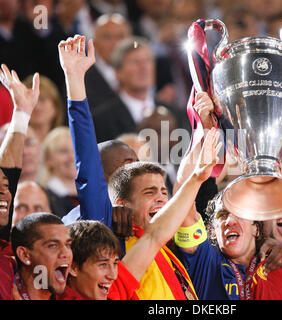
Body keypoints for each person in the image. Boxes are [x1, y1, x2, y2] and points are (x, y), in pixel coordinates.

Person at [58, 34, 199, 300]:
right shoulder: (103, 226)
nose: (137, 171)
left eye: (138, 163)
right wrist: (75, 80)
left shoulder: (156, 238)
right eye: (126, 166)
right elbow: (86, 163)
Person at [171, 91, 282, 300]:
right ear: (211, 230)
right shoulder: (204, 262)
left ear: (256, 227)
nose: (229, 220)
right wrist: (206, 132)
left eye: (237, 212)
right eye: (221, 216)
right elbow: (180, 199)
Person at [0, 63, 40, 299]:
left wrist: (22, 113)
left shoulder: (2, 249)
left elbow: (8, 172)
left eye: (5, 187)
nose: (4, 192)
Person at [92, 36, 188, 143]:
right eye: (135, 62)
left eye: (148, 61)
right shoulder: (102, 119)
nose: (144, 68)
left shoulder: (174, 113)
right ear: (118, 72)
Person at [11, 212, 73, 300]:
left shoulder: (72, 298)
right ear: (24, 255)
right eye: (53, 246)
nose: (66, 254)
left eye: (68, 245)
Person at [85, 13, 132, 112]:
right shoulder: (82, 80)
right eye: (107, 37)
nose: (115, 43)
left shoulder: (141, 71)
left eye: (120, 36)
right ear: (94, 44)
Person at [37, 126, 78, 218]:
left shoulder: (92, 194)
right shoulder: (43, 197)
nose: (72, 157)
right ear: (48, 159)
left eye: (75, 150)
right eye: (64, 151)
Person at [23, 74, 65, 144]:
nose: (37, 106)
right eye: (32, 101)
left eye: (42, 100)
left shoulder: (67, 142)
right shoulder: (16, 142)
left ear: (55, 106)